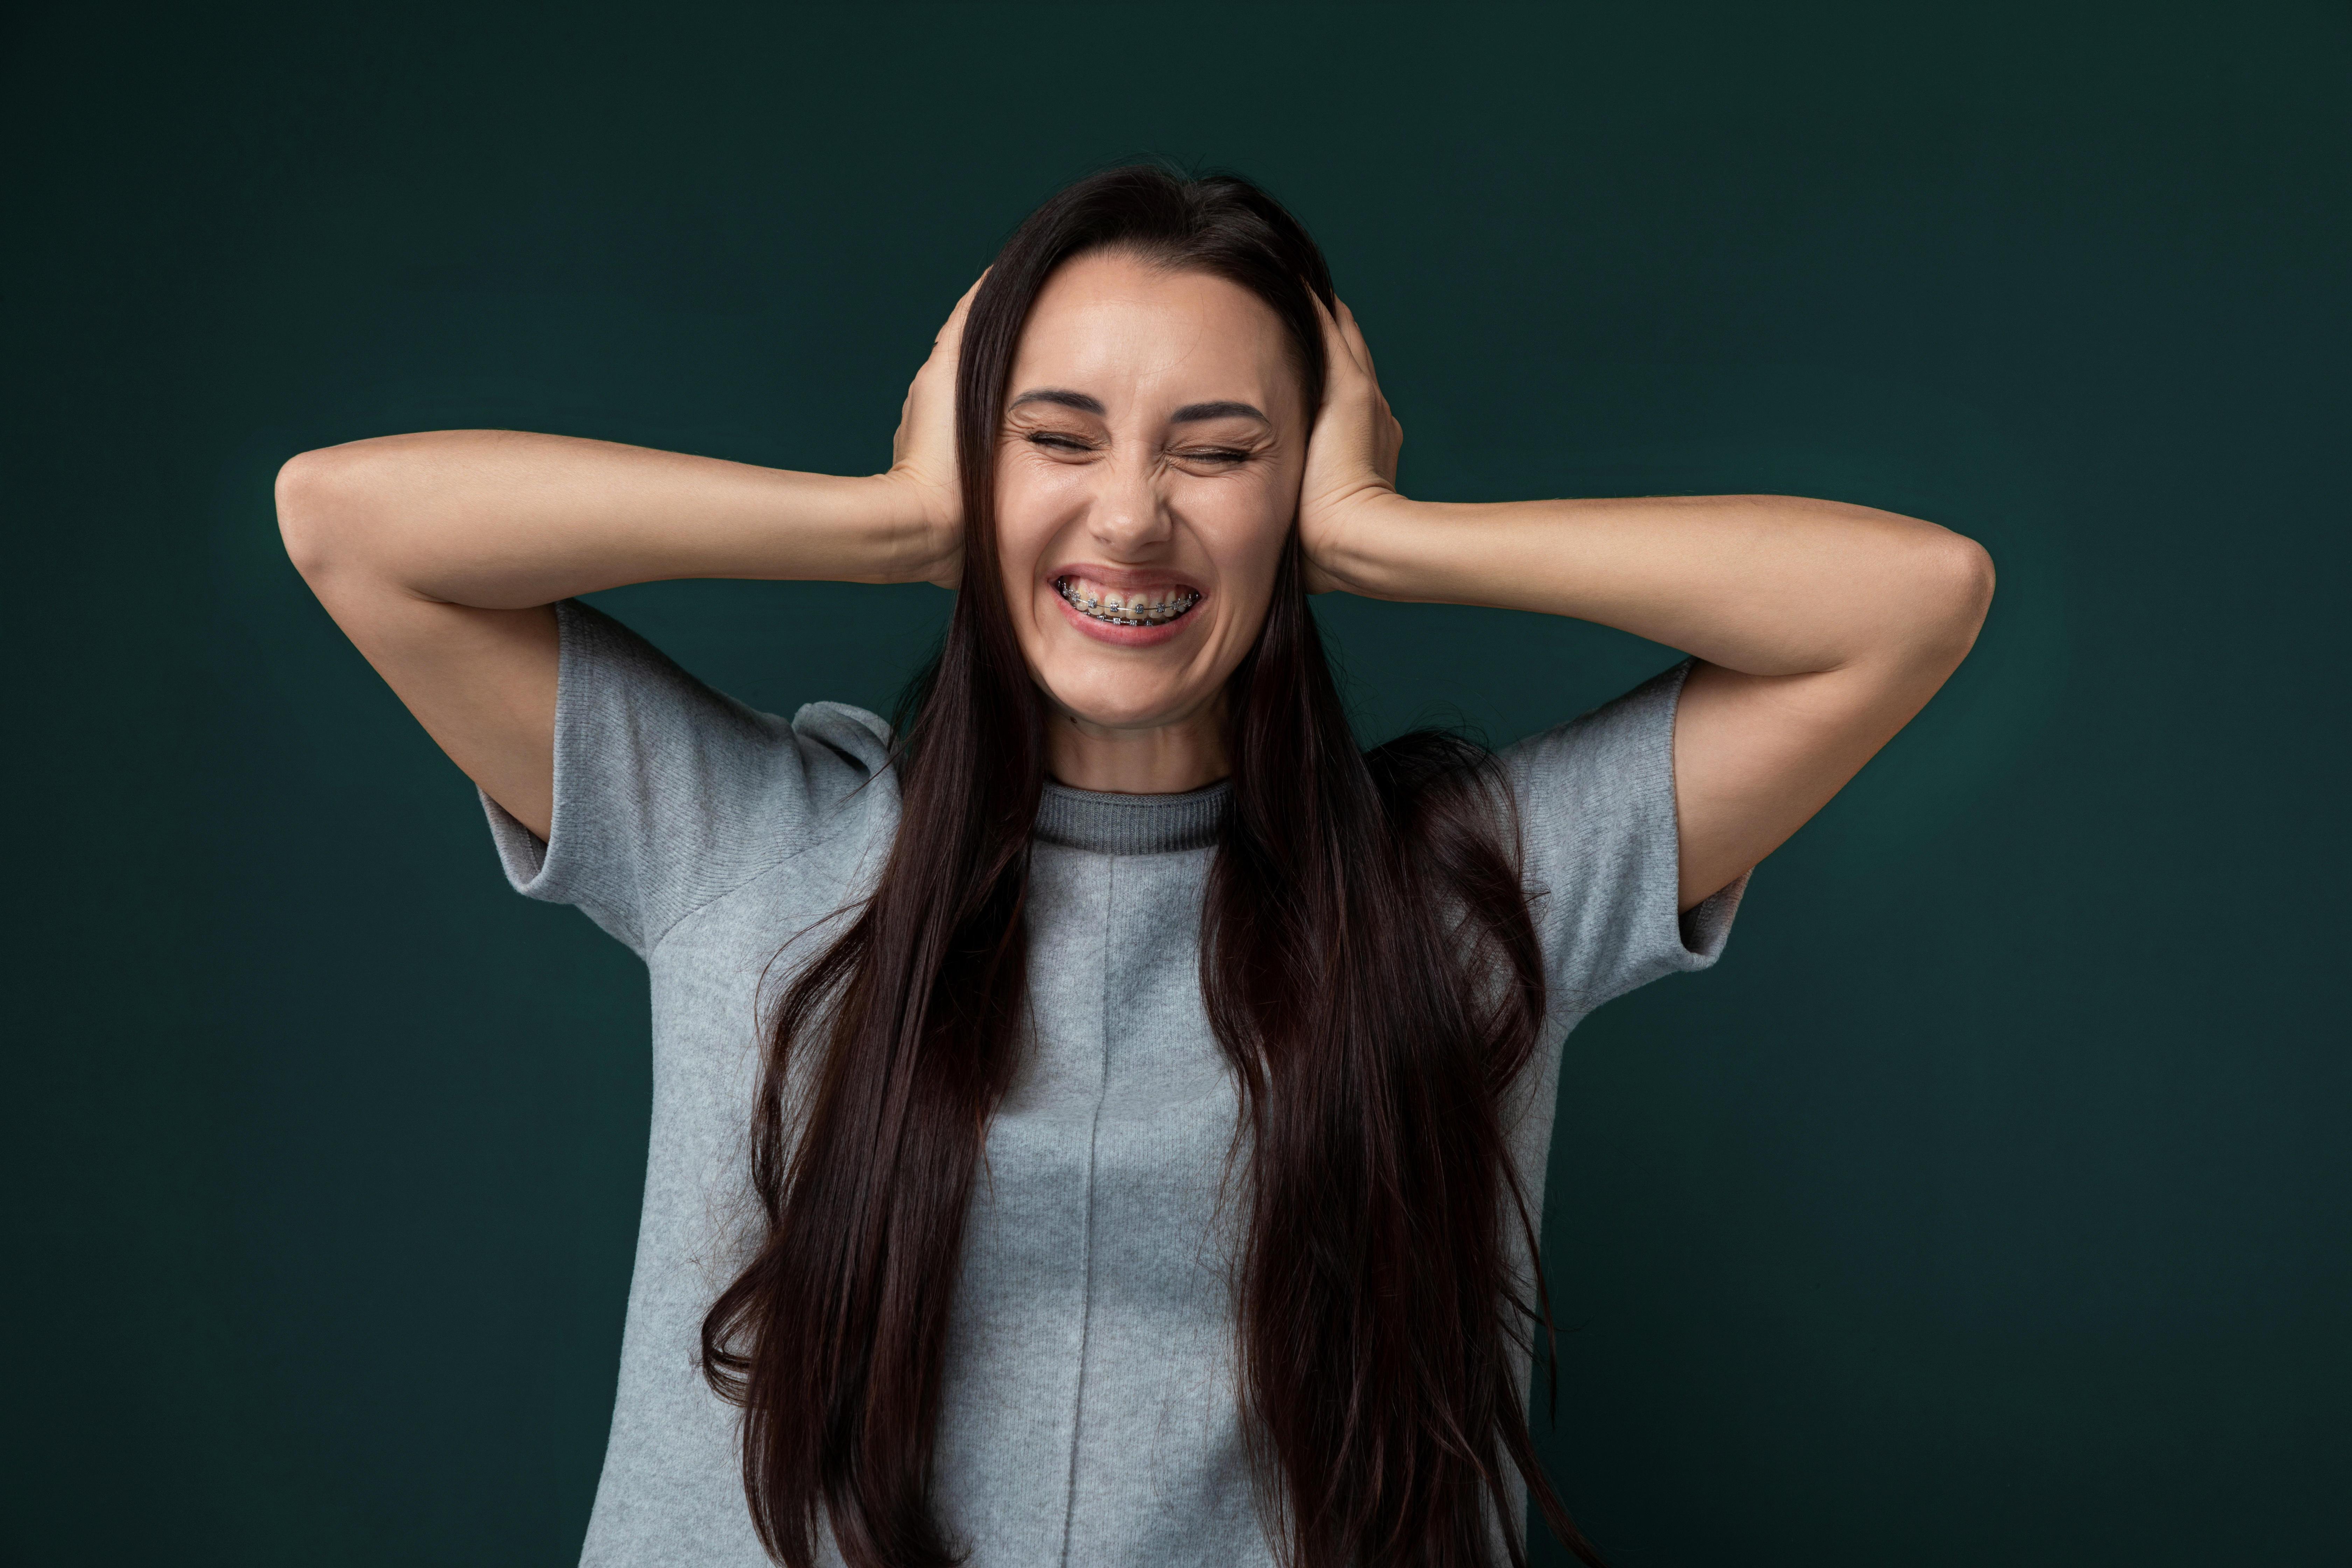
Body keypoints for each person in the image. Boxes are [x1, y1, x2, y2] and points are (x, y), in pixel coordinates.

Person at [275, 167, 1992, 1568]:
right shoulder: (751, 844)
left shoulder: (1463, 902)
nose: (1131, 517)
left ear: (1297, 489)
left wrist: (1392, 539)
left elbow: (1909, 604)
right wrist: (883, 518)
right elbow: (351, 525)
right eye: (1061, 435)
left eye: (1221, 450)